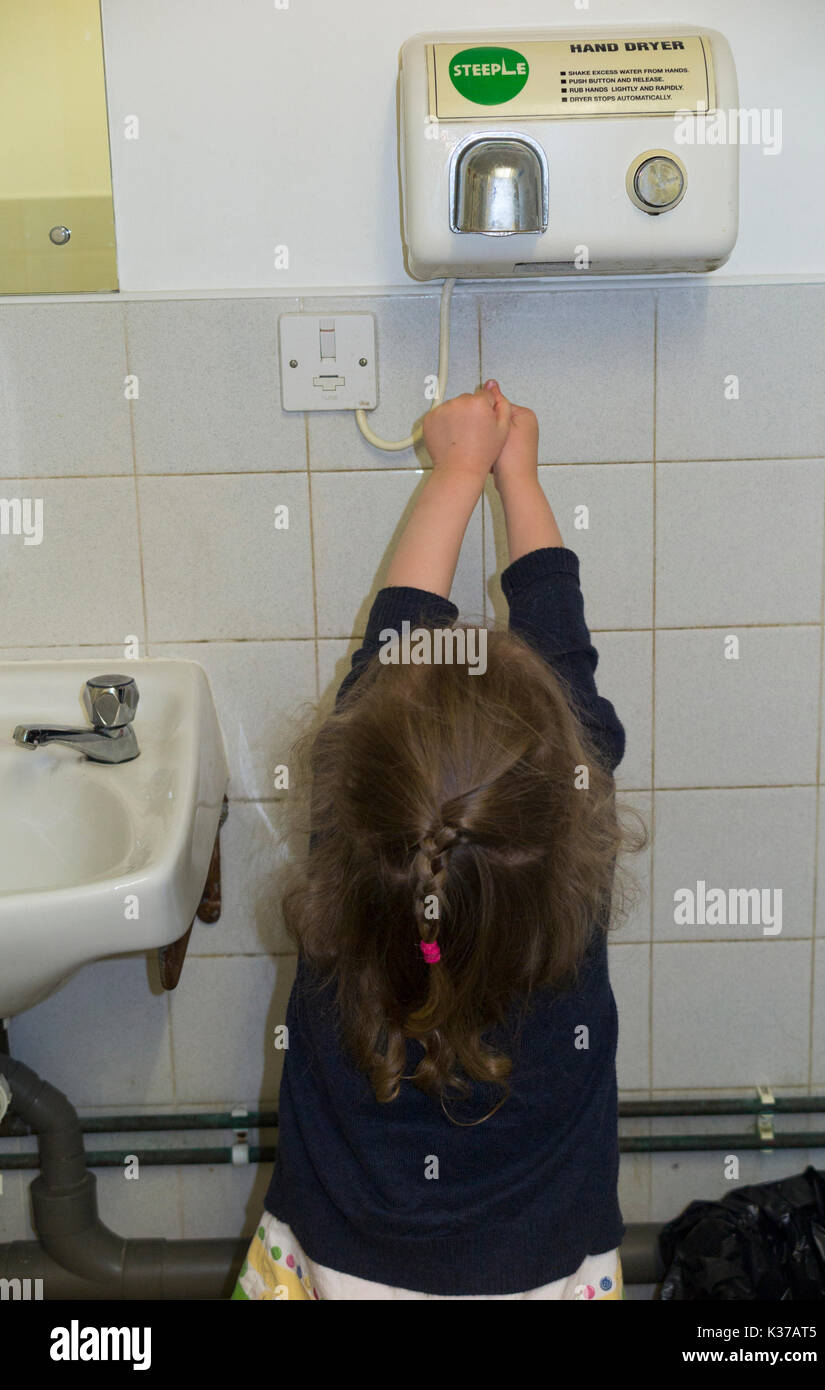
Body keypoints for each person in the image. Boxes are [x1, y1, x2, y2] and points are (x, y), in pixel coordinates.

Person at [232, 380, 645, 1300]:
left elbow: (390, 652)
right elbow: (557, 665)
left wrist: (457, 470)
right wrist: (511, 477)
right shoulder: (566, 882)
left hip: (341, 1271)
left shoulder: (353, 861)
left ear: (352, 781)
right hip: (544, 1274)